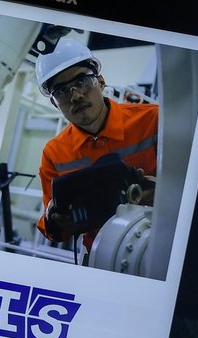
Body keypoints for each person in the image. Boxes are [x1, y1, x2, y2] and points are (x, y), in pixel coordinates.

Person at [34, 39, 159, 260]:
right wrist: (55, 218)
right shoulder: (54, 153)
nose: (75, 96)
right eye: (61, 91)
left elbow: (195, 183)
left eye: (82, 81)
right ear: (55, 103)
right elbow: (52, 228)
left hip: (160, 242)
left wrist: (156, 190)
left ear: (100, 82)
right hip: (100, 256)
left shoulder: (154, 120)